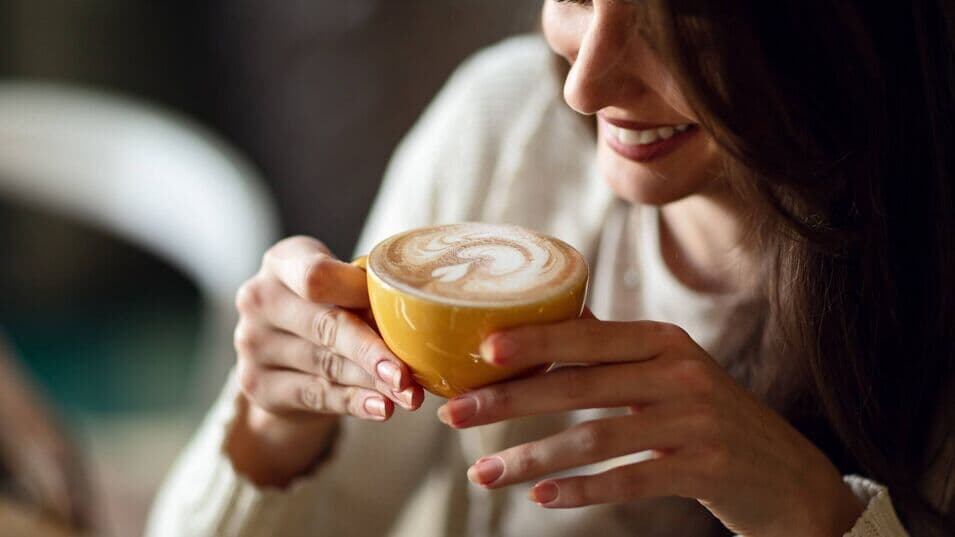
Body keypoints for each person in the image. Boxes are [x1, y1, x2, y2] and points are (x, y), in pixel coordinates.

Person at [147, 1, 955, 536]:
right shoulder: (502, 128)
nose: (581, 85)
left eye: (682, 25)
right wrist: (276, 427)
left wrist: (811, 512)